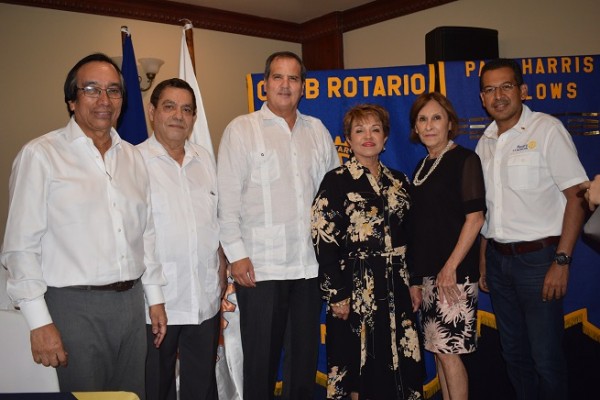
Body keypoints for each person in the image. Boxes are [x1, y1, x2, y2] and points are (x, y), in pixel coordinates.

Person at [0, 53, 167, 398]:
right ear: (72, 100)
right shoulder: (41, 155)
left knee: (131, 396)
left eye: (114, 91)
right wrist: (39, 321)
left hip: (131, 306)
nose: (104, 100)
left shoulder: (134, 158)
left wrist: (156, 298)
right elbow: (20, 247)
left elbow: (145, 235)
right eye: (91, 89)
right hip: (72, 309)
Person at [217, 51, 339, 400]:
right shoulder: (242, 129)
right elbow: (227, 201)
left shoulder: (316, 130)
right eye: (277, 78)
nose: (285, 85)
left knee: (303, 363)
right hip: (260, 268)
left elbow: (331, 196)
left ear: (303, 87)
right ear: (264, 85)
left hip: (308, 267)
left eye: (293, 78)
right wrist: (236, 256)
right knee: (261, 364)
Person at [475, 58, 587, 400]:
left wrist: (562, 260)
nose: (499, 96)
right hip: (497, 260)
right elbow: (487, 210)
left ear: (522, 90)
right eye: (490, 89)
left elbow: (577, 197)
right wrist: (483, 263)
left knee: (546, 359)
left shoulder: (547, 130)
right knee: (514, 356)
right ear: (482, 98)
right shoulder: (485, 142)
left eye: (506, 86)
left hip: (539, 262)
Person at [311, 104, 424, 399]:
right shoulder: (335, 181)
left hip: (397, 285)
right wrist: (336, 293)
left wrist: (415, 281)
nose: (368, 136)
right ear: (347, 139)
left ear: (386, 137)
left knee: (399, 363)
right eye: (359, 131)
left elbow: (413, 236)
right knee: (356, 366)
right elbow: (323, 238)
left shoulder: (400, 182)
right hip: (354, 287)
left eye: (375, 129)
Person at [137, 78, 227, 400]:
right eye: (169, 106)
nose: (178, 115)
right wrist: (154, 298)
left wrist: (222, 264)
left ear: (193, 118)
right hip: (159, 302)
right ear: (152, 112)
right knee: (155, 386)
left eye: (186, 109)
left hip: (204, 298)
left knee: (201, 387)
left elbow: (216, 219)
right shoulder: (134, 162)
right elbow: (137, 237)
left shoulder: (205, 159)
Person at [407, 93, 485, 400]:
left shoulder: (465, 160)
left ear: (450, 123)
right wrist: (417, 279)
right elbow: (421, 229)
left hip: (454, 276)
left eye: (436, 118)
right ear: (415, 126)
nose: (429, 125)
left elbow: (475, 219)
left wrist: (450, 268)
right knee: (439, 351)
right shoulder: (422, 165)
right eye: (422, 119)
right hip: (430, 277)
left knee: (450, 353)